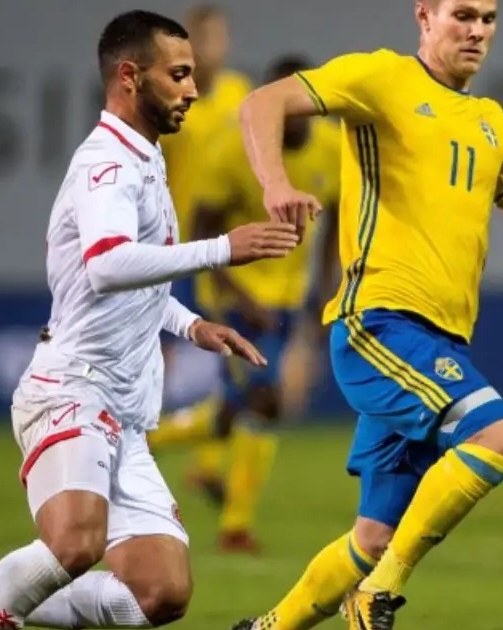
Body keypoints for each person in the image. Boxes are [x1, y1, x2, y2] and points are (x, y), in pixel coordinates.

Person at [230, 1, 503, 629]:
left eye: (489, 18)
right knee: (496, 437)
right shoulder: (382, 78)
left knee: (373, 538)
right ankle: (377, 594)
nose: (478, 30)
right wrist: (275, 183)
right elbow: (261, 103)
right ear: (424, 16)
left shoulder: (491, 122)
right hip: (379, 323)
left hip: (439, 342)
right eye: (463, 15)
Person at [0, 10, 298, 630]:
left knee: (160, 594)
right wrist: (222, 249)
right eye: (178, 75)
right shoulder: (107, 164)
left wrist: (189, 325)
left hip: (124, 414)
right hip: (73, 389)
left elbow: (134, 277)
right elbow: (106, 265)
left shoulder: (147, 158)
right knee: (75, 544)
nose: (194, 89)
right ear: (130, 76)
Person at [186, 54, 341, 553]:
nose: (289, 113)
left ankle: (142, 441)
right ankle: (235, 526)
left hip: (287, 299)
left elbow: (336, 224)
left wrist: (326, 290)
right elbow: (201, 233)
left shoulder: (331, 148)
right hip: (233, 296)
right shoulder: (234, 148)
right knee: (267, 402)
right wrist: (236, 295)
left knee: (234, 411)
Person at [152, 2, 255, 504]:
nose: (212, 48)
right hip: (170, 244)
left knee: (226, 350)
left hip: (217, 249)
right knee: (159, 353)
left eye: (218, 38)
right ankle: (137, 437)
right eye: (203, 39)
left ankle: (207, 462)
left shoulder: (240, 94)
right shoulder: (171, 100)